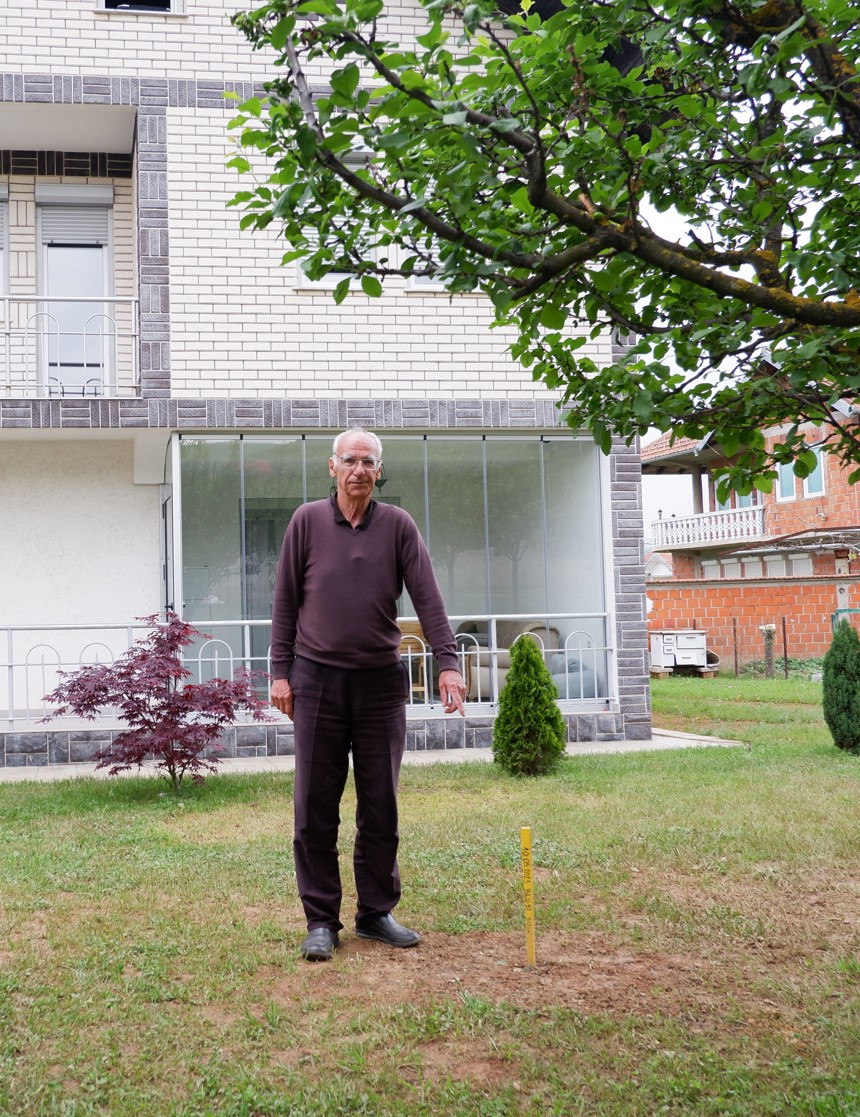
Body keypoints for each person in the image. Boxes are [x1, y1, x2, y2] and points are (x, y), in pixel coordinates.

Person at [270, 428, 467, 962]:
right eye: (350, 460)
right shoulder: (306, 522)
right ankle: (321, 920)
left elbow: (428, 597)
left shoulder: (397, 526)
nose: (359, 469)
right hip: (316, 682)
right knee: (314, 806)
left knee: (380, 805)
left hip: (380, 683)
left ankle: (375, 913)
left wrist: (448, 664)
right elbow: (285, 600)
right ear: (331, 468)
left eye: (369, 462)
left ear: (379, 471)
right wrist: (279, 672)